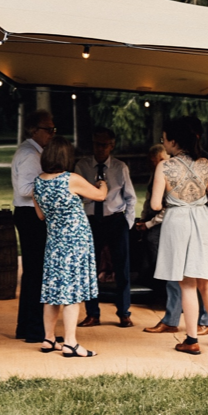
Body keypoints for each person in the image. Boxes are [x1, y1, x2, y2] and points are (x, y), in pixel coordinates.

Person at [150, 116, 208, 354]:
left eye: (164, 139)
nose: (163, 143)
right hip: (202, 220)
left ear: (174, 141)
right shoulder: (206, 164)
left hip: (178, 222)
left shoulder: (164, 167)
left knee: (187, 285)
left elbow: (155, 205)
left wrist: (175, 199)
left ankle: (192, 340)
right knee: (207, 283)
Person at [34, 138, 109, 357]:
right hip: (75, 243)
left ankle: (49, 338)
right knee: (72, 294)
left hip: (54, 243)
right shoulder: (70, 179)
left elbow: (40, 215)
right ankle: (70, 343)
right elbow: (100, 196)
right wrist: (102, 183)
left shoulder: (38, 182)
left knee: (52, 292)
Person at [74, 127, 136, 328]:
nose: (99, 149)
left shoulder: (120, 167)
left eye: (104, 145)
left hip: (115, 220)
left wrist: (127, 223)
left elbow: (130, 197)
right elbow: (75, 195)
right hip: (91, 221)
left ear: (112, 145)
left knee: (122, 268)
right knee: (90, 267)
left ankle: (124, 312)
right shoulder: (82, 166)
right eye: (96, 144)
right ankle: (92, 313)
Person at [11, 109, 56, 343]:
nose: (52, 133)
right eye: (48, 129)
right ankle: (34, 329)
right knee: (36, 273)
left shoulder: (33, 152)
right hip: (30, 215)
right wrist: (53, 187)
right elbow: (24, 189)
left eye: (53, 129)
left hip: (29, 214)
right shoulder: (30, 154)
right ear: (33, 130)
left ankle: (26, 326)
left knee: (33, 272)